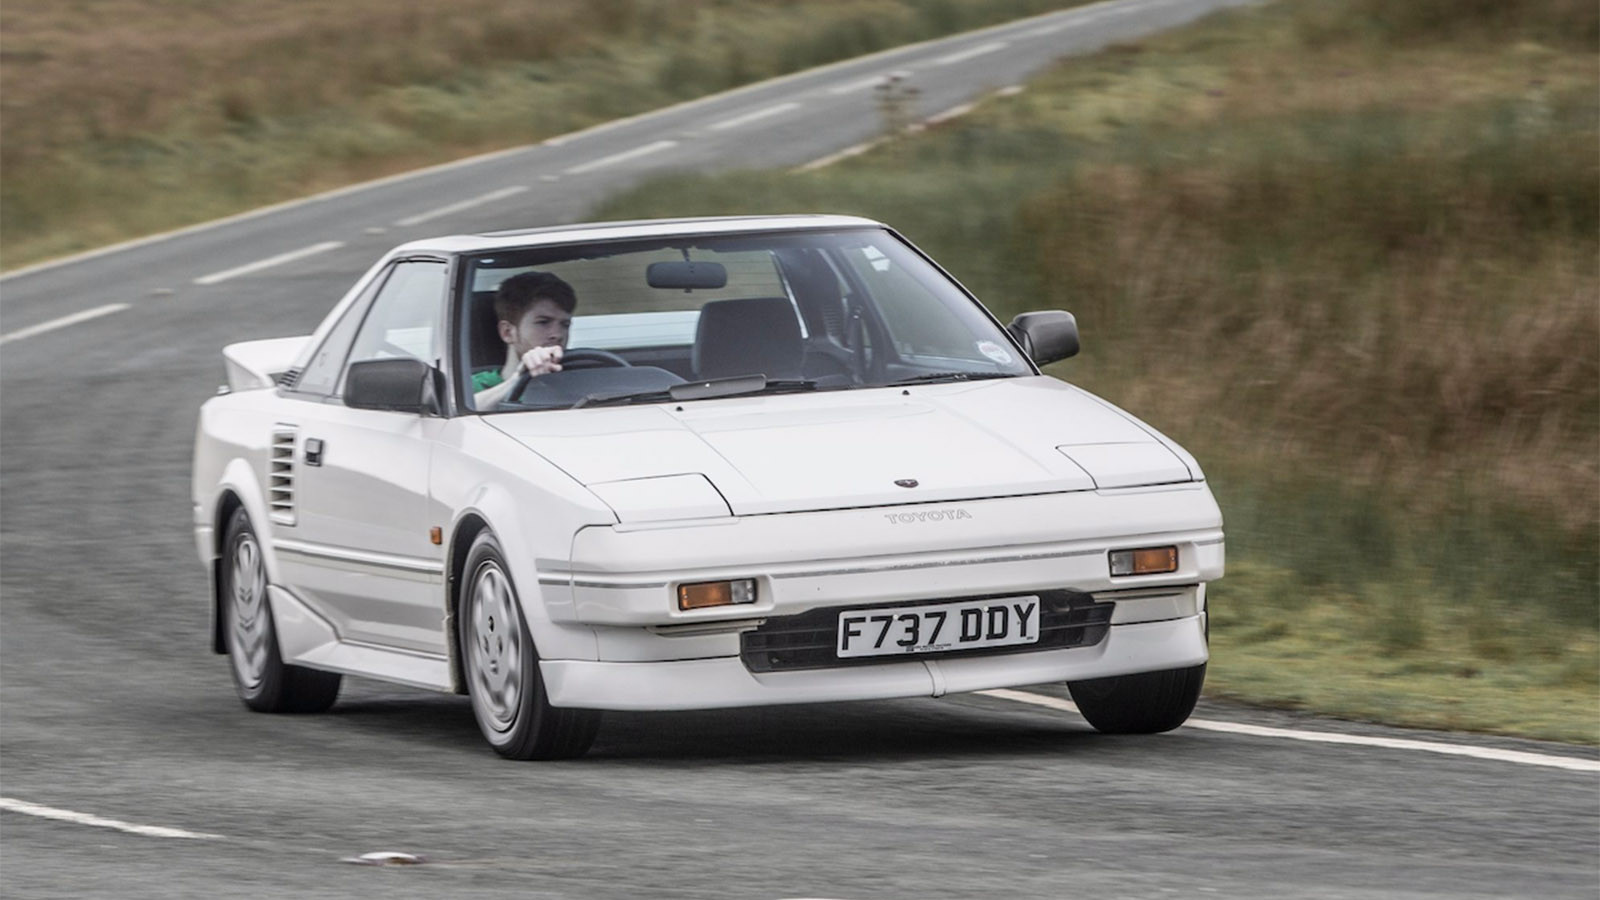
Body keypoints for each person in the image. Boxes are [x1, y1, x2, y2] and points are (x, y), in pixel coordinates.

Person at [472, 271, 576, 411]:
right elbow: (461, 412)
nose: (558, 334)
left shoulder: (578, 380)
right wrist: (518, 379)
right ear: (508, 332)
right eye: (543, 322)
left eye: (565, 325)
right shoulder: (472, 386)